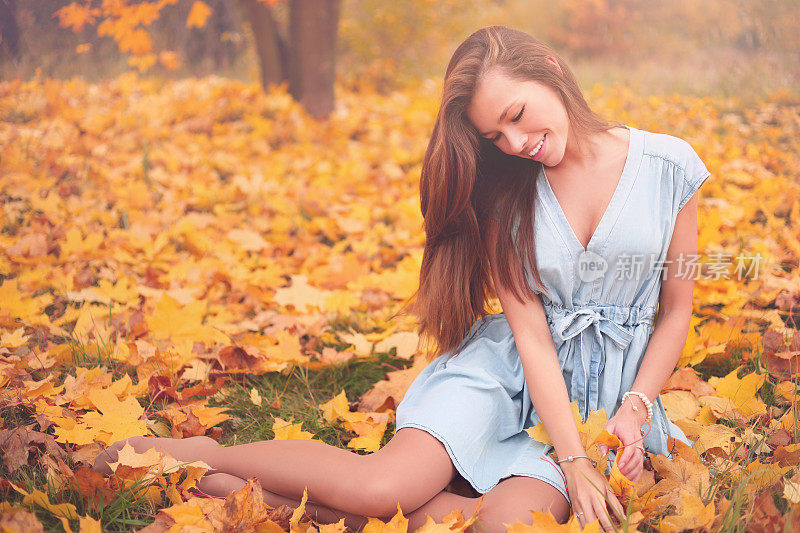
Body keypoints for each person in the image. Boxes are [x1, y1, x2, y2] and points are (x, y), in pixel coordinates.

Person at [94, 25, 709, 533]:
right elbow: (532, 337)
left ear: (548, 67)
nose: (517, 143)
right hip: (514, 376)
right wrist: (572, 459)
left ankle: (261, 500)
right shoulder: (505, 198)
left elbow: (675, 308)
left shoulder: (670, 166)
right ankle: (200, 458)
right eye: (497, 135)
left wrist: (635, 405)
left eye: (517, 115)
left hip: (609, 401)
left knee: (504, 528)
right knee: (382, 485)